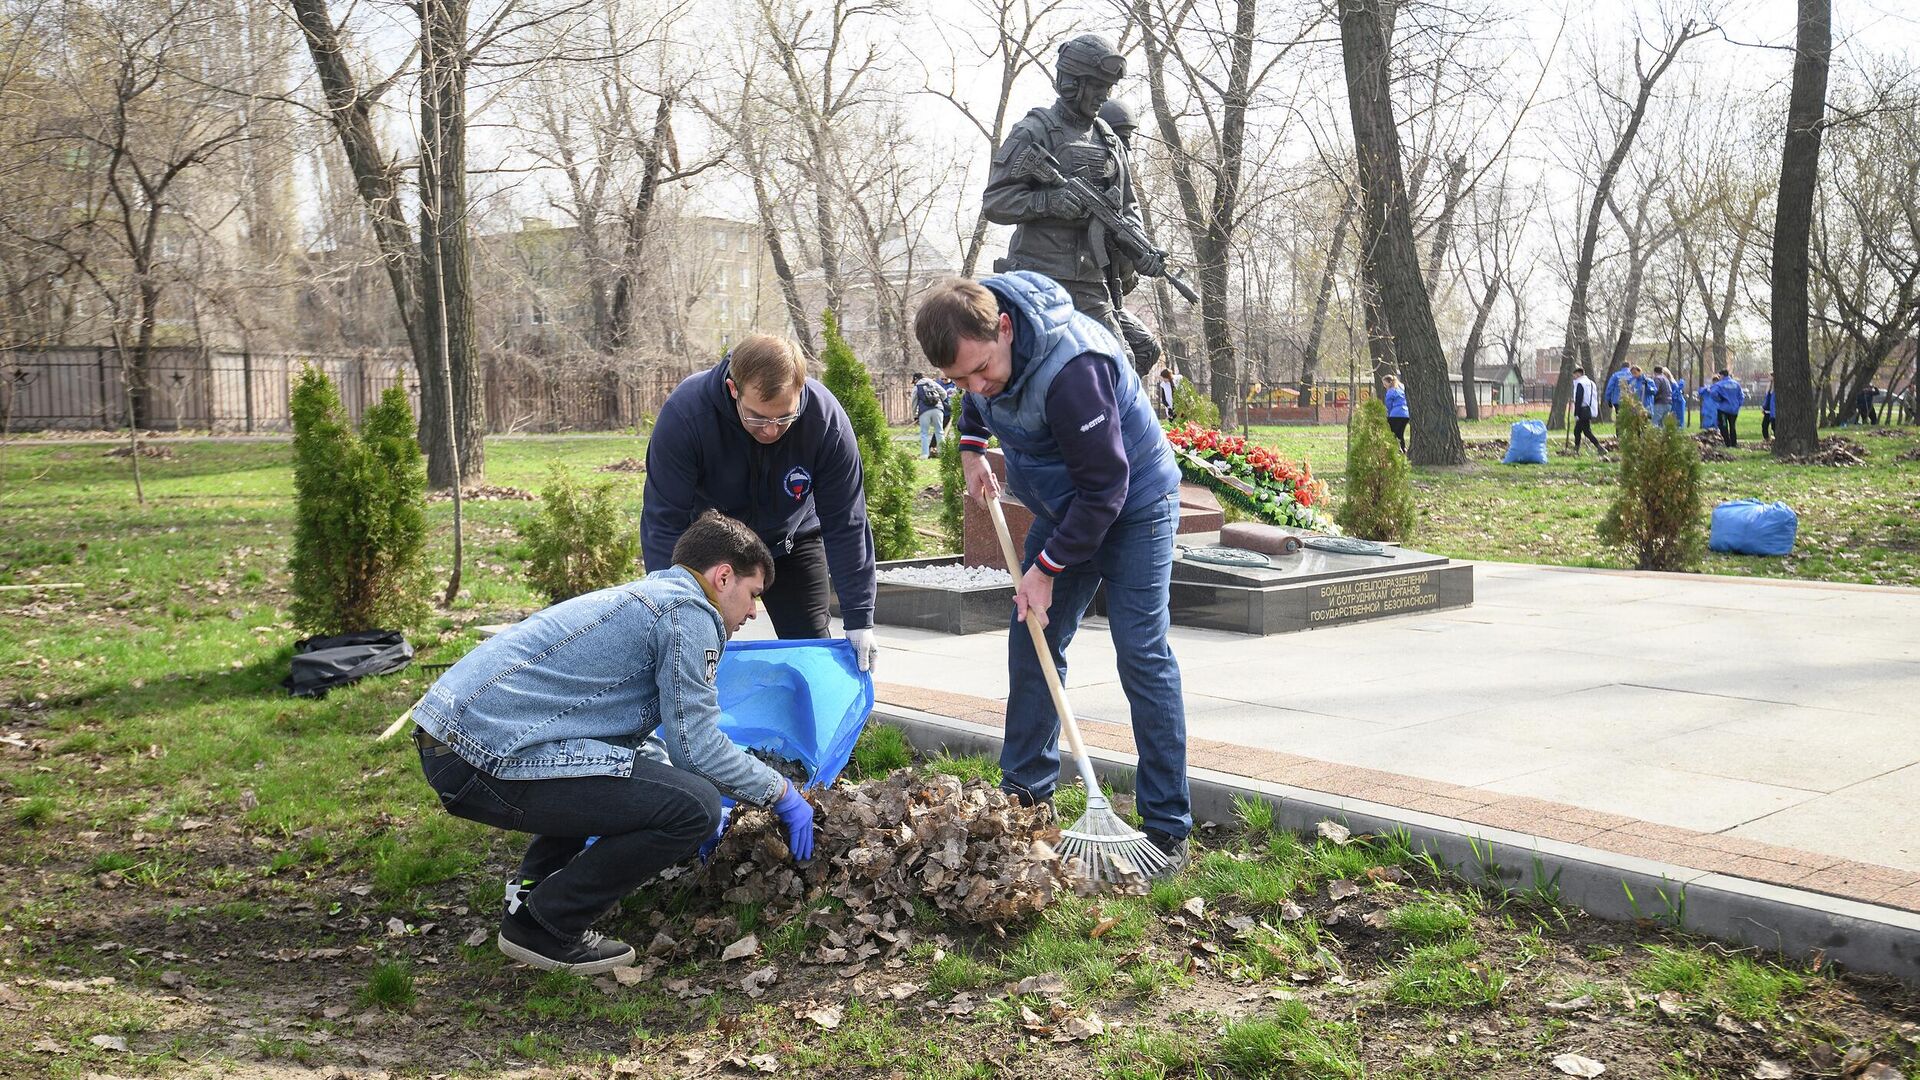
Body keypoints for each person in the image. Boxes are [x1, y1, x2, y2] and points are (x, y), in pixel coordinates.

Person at [408, 512, 817, 974]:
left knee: (638, 781)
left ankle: (531, 896)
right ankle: (545, 925)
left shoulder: (650, 597)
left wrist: (673, 782)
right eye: (753, 594)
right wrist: (780, 792)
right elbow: (696, 746)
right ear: (724, 576)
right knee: (695, 807)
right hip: (483, 755)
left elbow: (629, 743)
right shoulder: (690, 614)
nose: (752, 613)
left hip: (452, 740)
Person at [913, 272, 1190, 874]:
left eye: (980, 370)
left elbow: (1106, 489)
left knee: (1142, 653)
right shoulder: (981, 344)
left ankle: (1168, 826)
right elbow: (976, 400)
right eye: (959, 378)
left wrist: (1045, 567)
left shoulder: (1073, 371)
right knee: (1033, 641)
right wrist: (969, 447)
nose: (975, 385)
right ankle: (1026, 800)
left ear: (1005, 329)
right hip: (1068, 508)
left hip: (1133, 504)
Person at [642, 333, 880, 671]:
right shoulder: (686, 415)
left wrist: (859, 617)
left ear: (801, 391)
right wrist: (669, 610)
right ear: (733, 389)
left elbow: (847, 520)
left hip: (793, 540)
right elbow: (663, 522)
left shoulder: (825, 422)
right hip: (713, 551)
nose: (771, 431)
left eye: (784, 417)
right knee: (697, 654)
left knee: (809, 654)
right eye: (758, 418)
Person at [982, 35, 1157, 338]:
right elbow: (995, 201)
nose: (1105, 95)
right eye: (1097, 86)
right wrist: (1048, 202)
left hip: (1091, 283)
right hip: (1038, 280)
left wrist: (1138, 246)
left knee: (1121, 364)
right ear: (1072, 83)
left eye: (1108, 87)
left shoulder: (1109, 140)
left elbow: (1128, 207)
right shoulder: (1033, 130)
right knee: (1039, 369)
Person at [1570, 365, 1603, 455]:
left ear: (1578, 374)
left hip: (1582, 410)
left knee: (1586, 432)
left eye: (1574, 375)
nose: (1574, 378)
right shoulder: (1591, 383)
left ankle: (1600, 447)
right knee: (1577, 431)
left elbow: (1579, 399)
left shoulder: (1580, 383)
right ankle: (1576, 450)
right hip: (1590, 409)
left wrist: (1576, 413)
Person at [912, 371, 946, 458]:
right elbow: (944, 393)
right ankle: (943, 453)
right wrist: (940, 401)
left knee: (924, 433)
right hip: (938, 409)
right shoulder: (932, 383)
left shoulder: (917, 387)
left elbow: (914, 402)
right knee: (939, 431)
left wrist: (915, 415)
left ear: (916, 379)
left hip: (924, 411)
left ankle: (924, 454)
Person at [1707, 368, 1744, 448]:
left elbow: (1713, 393)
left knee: (1723, 426)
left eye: (1719, 376)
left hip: (1723, 409)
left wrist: (1719, 399)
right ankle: (1734, 443)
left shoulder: (1719, 384)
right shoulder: (1736, 384)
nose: (1719, 377)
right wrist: (1738, 405)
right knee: (1732, 426)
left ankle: (1727, 443)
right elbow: (1741, 396)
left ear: (1722, 375)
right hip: (1734, 409)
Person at [1383, 374, 1409, 452]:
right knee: (1400, 434)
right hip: (1405, 415)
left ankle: (1397, 450)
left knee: (1392, 433)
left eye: (1385, 384)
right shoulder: (1401, 390)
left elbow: (1388, 405)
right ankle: (1403, 449)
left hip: (1395, 414)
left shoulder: (1390, 391)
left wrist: (1388, 414)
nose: (1384, 386)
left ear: (1389, 383)